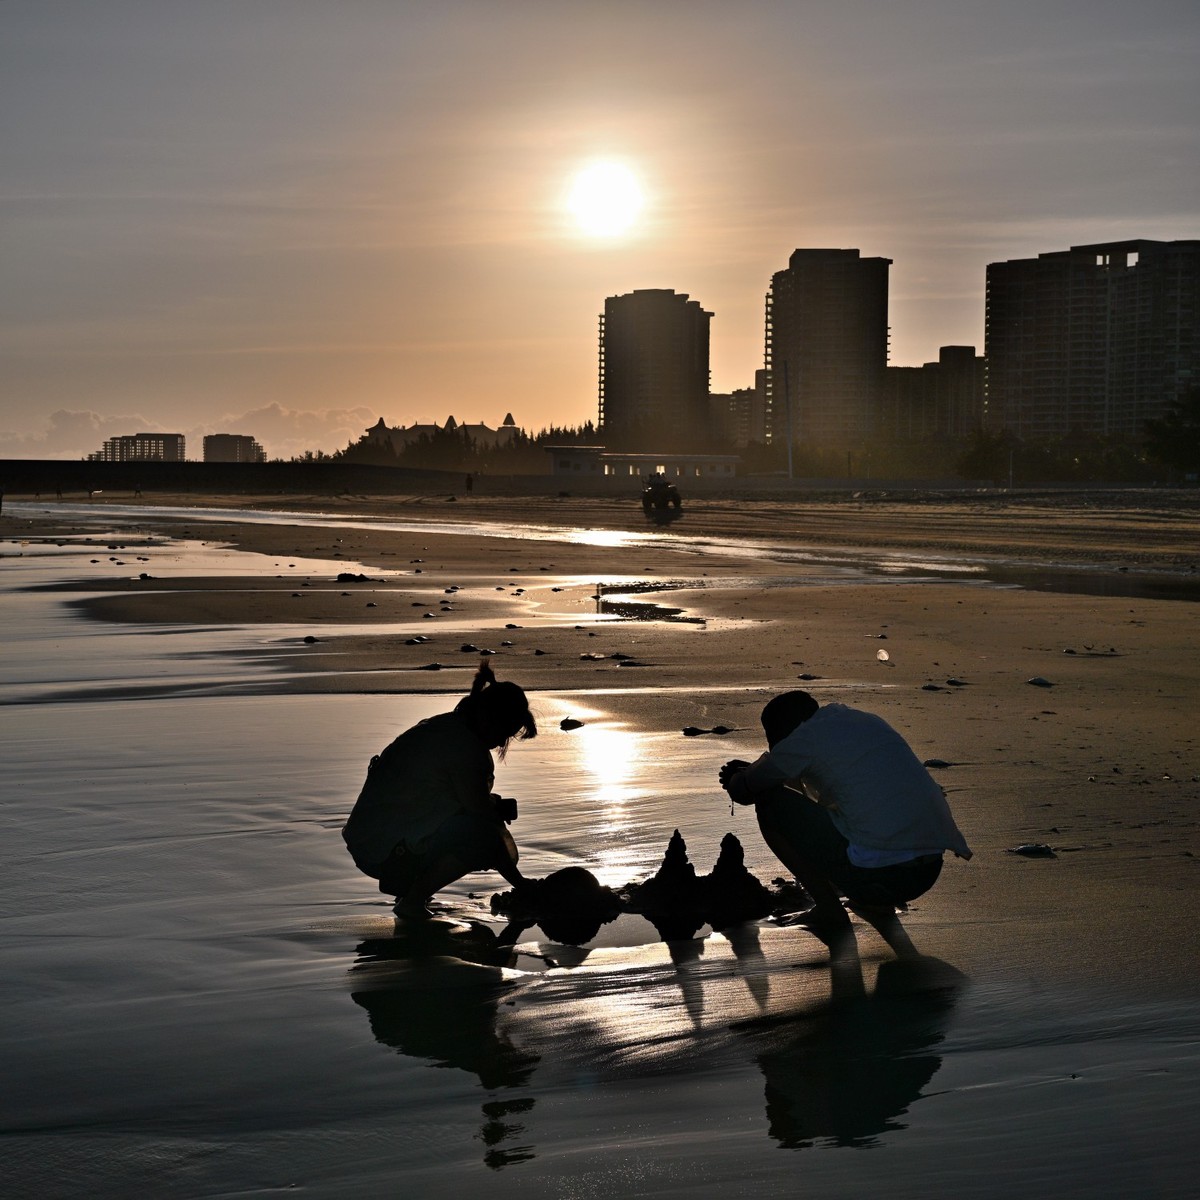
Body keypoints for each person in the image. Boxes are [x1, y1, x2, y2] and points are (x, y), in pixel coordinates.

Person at [718, 691, 972, 957]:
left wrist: (737, 777)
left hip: (886, 879)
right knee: (860, 811)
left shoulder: (803, 740)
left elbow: (746, 792)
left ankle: (830, 910)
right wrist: (757, 770)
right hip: (928, 870)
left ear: (784, 733)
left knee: (770, 804)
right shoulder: (862, 721)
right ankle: (878, 905)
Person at [343, 661, 539, 916]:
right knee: (478, 835)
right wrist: (522, 885)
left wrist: (492, 804)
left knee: (471, 825)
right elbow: (481, 823)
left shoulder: (448, 727)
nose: (502, 741)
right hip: (381, 849)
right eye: (505, 732)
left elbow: (440, 796)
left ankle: (410, 891)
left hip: (369, 837)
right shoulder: (465, 748)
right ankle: (412, 901)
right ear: (490, 717)